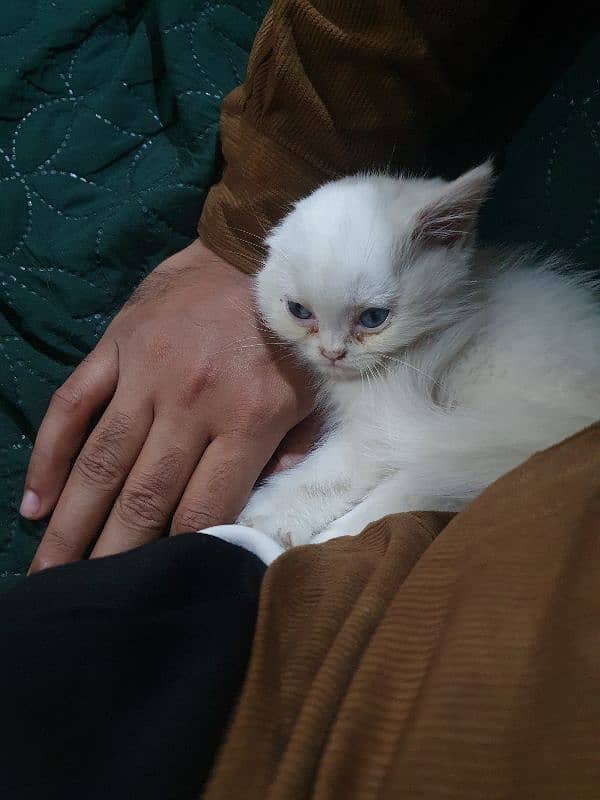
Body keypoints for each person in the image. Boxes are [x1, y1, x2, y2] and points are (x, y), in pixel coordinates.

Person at [6, 1, 599, 799]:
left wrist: (261, 525)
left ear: (450, 237)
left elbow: (378, 453)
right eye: (298, 316)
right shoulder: (313, 285)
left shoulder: (461, 295)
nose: (331, 351)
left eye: (371, 320)